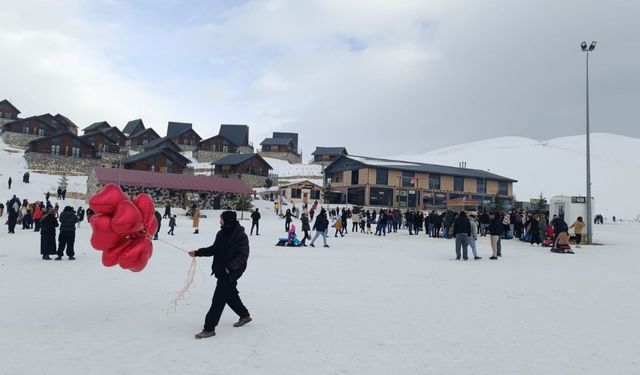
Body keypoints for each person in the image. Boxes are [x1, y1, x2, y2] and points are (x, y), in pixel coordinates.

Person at [189, 211, 251, 339]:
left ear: (228, 221)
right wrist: (197, 252)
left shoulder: (241, 236)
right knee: (230, 295)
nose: (220, 222)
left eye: (221, 219)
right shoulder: (221, 233)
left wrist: (230, 267)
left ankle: (209, 328)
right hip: (221, 270)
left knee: (218, 300)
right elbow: (213, 249)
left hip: (231, 272)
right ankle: (244, 315)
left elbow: (243, 256)